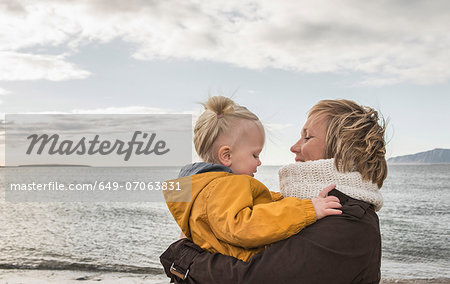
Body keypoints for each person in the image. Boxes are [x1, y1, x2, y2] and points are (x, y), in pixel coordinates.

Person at [160, 99, 387, 284]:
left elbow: (251, 278)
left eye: (307, 137)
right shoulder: (315, 203)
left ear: (343, 149)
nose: (294, 147)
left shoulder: (347, 221)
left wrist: (182, 253)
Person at [163, 96, 342, 263]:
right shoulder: (228, 184)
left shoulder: (202, 187)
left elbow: (256, 205)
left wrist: (288, 199)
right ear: (226, 155)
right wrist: (309, 209)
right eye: (254, 154)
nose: (259, 162)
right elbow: (245, 226)